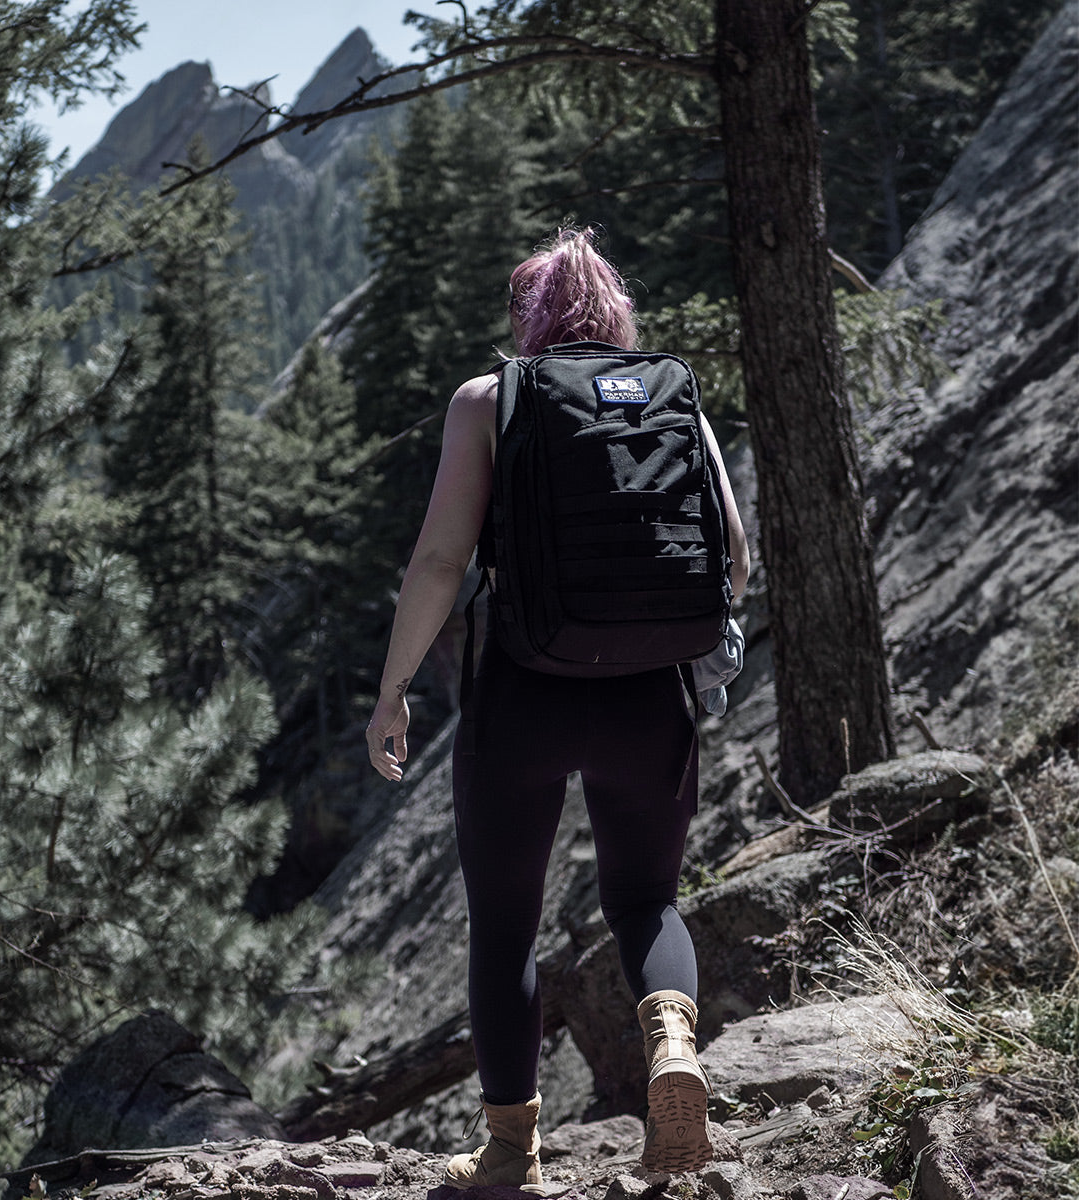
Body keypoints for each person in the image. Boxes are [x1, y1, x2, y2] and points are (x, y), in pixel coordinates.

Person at [365, 228, 750, 1187]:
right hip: (650, 700)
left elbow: (442, 563)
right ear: (616, 312)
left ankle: (510, 1153)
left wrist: (393, 687)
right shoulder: (672, 395)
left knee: (504, 925)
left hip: (522, 698)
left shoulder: (489, 401)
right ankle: (670, 1047)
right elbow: (735, 557)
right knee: (645, 900)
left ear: (525, 319)